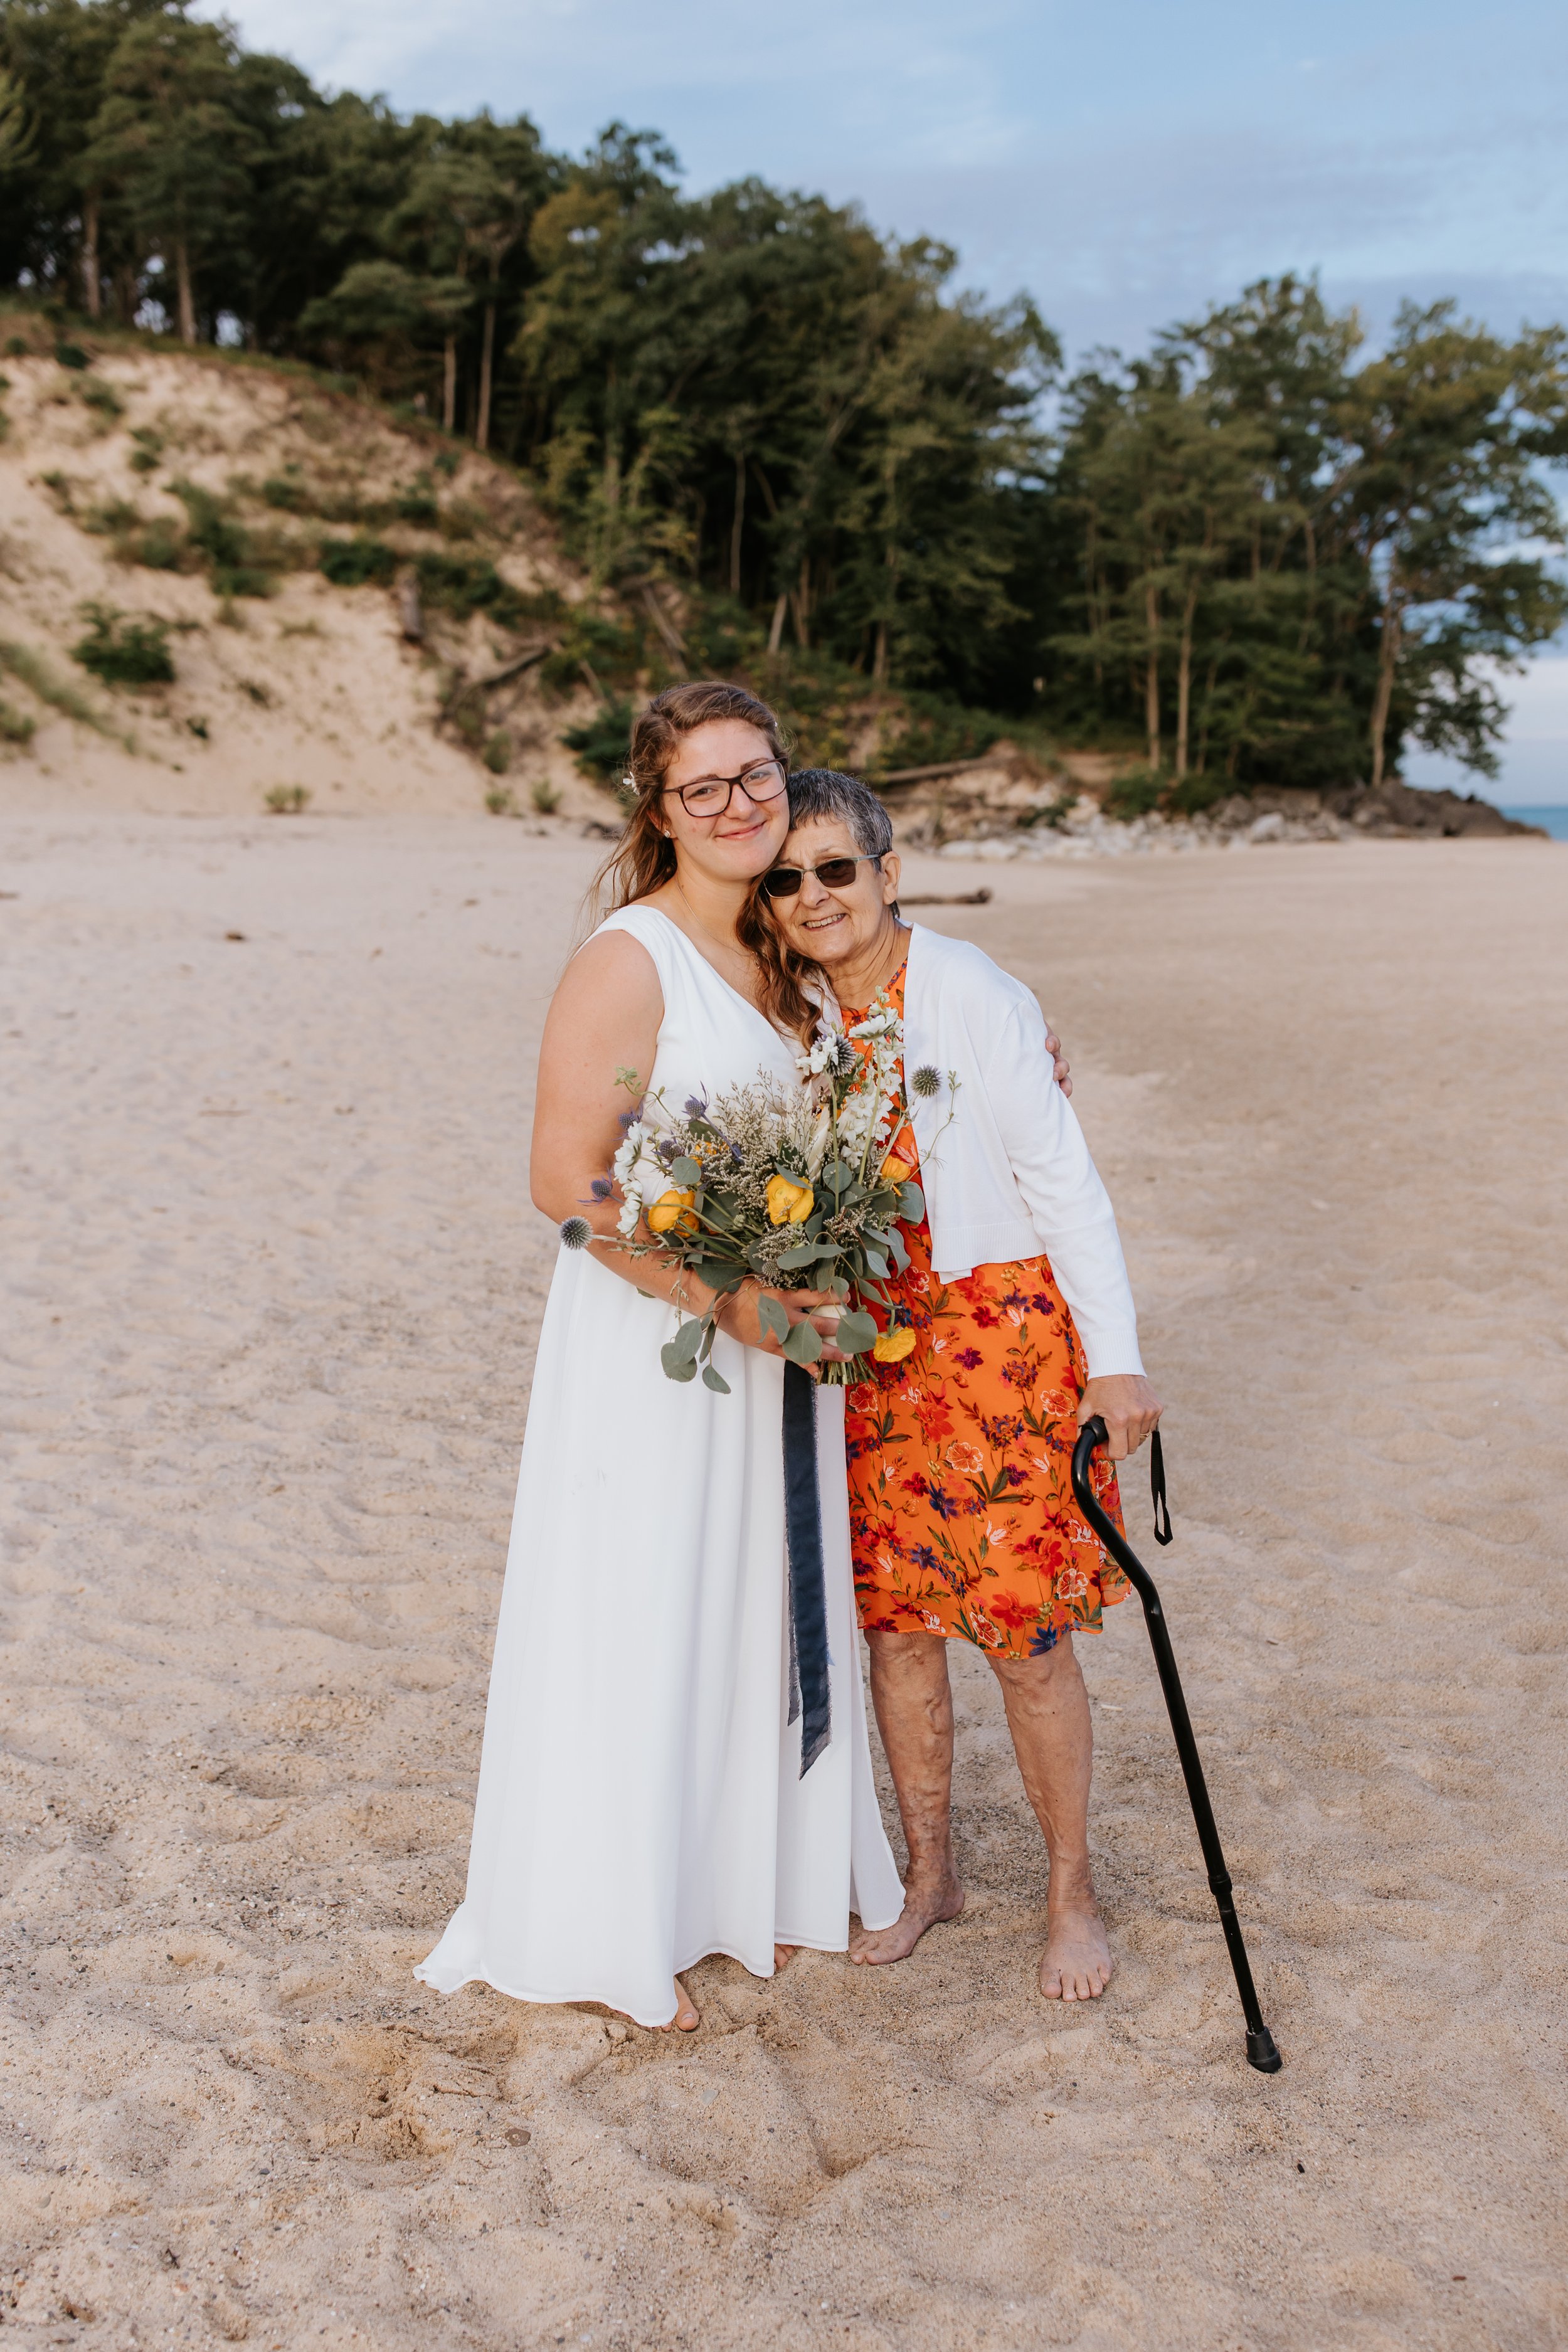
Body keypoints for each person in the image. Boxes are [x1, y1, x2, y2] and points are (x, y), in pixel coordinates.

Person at [416, 686, 906, 2033]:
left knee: (749, 1605)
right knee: (643, 1602)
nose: (742, 805)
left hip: (774, 1343)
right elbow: (568, 1189)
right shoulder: (628, 961)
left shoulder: (784, 944)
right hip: (662, 1345)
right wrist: (732, 1302)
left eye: (759, 776)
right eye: (707, 788)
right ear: (657, 812)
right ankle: (602, 1919)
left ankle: (737, 1886)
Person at [750, 767, 1162, 2004]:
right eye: (785, 878)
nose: (813, 894)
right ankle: (931, 1875)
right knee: (895, 1634)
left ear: (886, 870)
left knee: (1023, 1636)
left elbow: (1060, 1178)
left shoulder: (972, 992)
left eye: (834, 869)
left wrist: (1118, 1356)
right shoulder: (795, 1018)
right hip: (869, 1355)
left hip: (999, 1341)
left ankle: (1069, 1894)